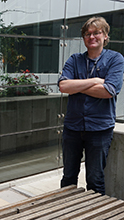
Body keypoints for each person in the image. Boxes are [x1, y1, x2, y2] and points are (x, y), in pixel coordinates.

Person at [58, 16, 124, 195]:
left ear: (105, 36)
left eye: (96, 33)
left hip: (100, 129)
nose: (91, 36)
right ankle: (65, 211)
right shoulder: (74, 59)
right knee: (68, 176)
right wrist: (95, 81)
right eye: (87, 34)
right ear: (84, 38)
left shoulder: (115, 59)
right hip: (73, 127)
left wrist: (77, 86)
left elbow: (108, 91)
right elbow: (64, 86)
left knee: (95, 178)